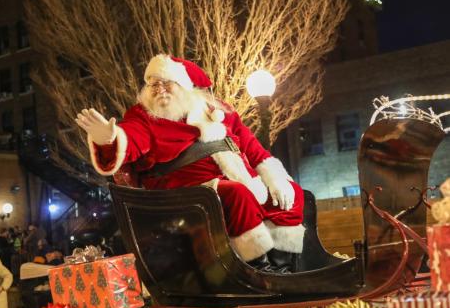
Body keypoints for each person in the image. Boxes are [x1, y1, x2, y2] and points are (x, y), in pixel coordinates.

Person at [75, 54, 305, 274]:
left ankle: (282, 268)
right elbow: (131, 138)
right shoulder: (145, 117)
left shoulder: (218, 111)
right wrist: (109, 140)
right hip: (186, 194)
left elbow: (254, 149)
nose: (159, 89)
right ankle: (257, 268)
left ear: (184, 85)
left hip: (238, 179)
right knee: (237, 194)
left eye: (167, 83)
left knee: (290, 192)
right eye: (153, 84)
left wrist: (274, 178)